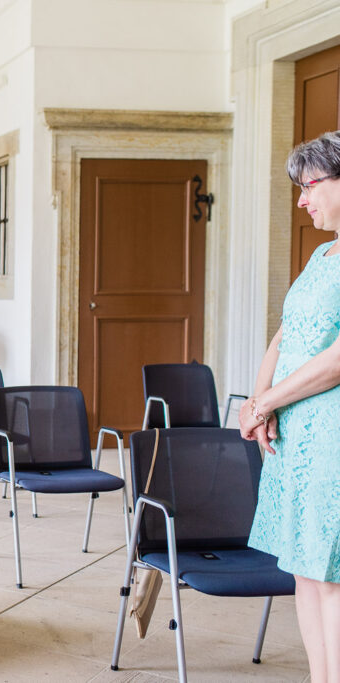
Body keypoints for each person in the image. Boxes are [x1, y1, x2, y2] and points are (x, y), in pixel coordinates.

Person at [242, 130, 340, 683]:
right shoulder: (321, 253)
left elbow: (336, 359)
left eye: (310, 186)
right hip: (295, 436)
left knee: (332, 575)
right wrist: (259, 401)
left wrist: (268, 401)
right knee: (304, 570)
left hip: (332, 433)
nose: (302, 200)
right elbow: (286, 332)